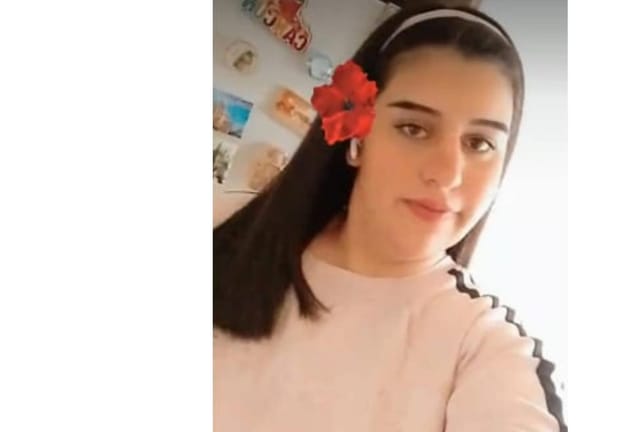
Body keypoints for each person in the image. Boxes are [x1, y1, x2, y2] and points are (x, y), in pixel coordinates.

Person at [213, 4, 567, 431]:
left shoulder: (485, 348)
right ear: (356, 137)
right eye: (414, 128)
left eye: (479, 143)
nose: (448, 174)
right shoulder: (222, 225)